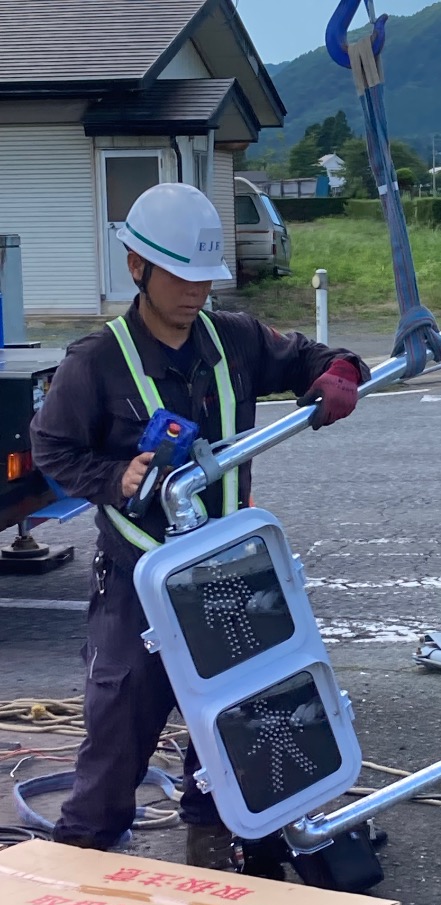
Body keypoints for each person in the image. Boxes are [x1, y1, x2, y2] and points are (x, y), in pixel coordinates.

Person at [30, 182, 371, 870]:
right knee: (119, 731)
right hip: (140, 581)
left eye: (204, 278)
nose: (195, 292)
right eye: (180, 276)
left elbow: (317, 359)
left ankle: (224, 836)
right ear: (137, 269)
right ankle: (84, 859)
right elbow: (52, 448)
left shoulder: (236, 339)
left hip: (227, 575)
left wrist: (339, 373)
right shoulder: (96, 362)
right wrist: (114, 479)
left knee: (250, 720)